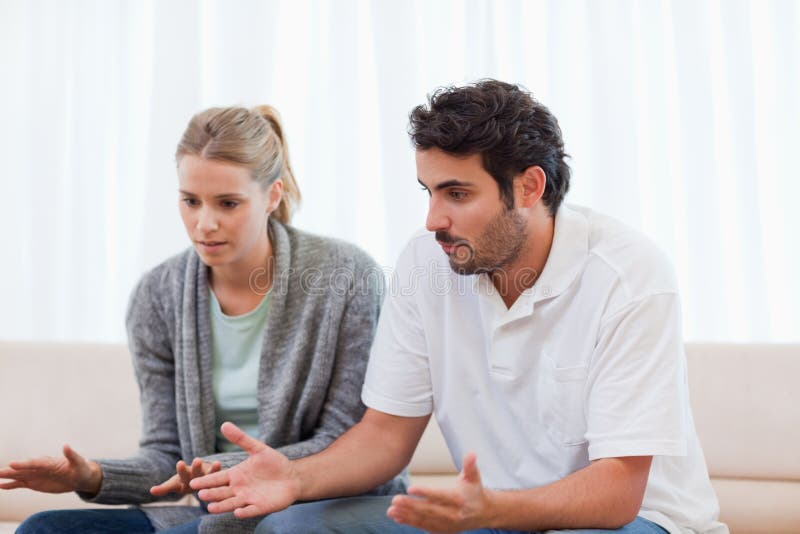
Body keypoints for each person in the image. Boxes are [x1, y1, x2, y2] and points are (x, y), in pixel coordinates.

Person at [189, 80, 728, 534]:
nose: (432, 220)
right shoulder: (427, 264)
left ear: (528, 187)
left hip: (638, 523)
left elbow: (618, 491)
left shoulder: (628, 274)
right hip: (491, 516)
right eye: (428, 192)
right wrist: (296, 477)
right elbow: (384, 436)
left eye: (457, 194)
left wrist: (493, 510)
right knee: (291, 527)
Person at [0, 105, 405, 533]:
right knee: (43, 528)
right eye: (190, 201)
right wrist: (93, 476)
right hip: (214, 508)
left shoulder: (346, 276)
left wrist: (217, 468)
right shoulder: (156, 297)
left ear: (273, 195)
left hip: (318, 506)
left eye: (228, 203)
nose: (204, 223)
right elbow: (166, 458)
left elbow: (346, 443)